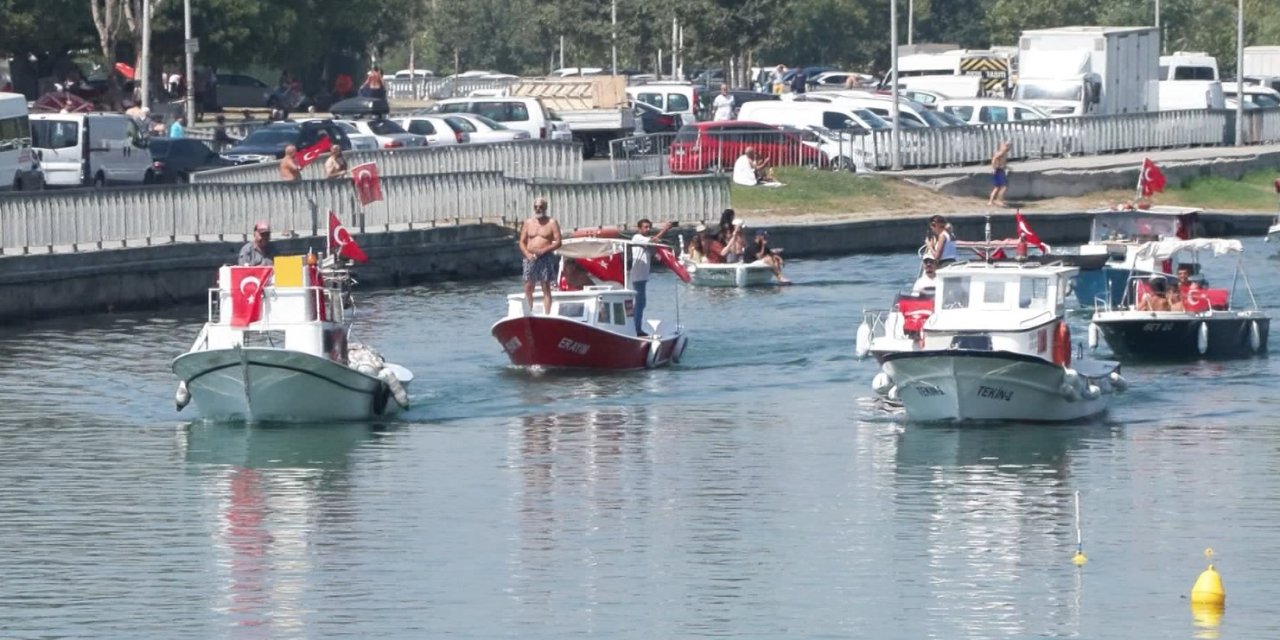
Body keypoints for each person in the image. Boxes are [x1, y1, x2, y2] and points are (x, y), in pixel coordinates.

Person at [630, 218, 674, 335]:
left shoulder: (645, 241)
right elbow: (654, 240)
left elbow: (652, 249)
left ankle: (636, 327)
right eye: (645, 227)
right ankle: (636, 329)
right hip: (638, 276)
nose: (648, 229)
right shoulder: (637, 238)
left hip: (643, 276)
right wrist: (665, 229)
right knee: (639, 304)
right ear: (639, 228)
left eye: (649, 227)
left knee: (641, 303)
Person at [519, 197, 562, 314]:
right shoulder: (528, 223)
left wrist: (545, 250)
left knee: (546, 286)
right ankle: (529, 311)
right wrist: (527, 254)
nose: (538, 209)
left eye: (541, 207)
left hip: (545, 257)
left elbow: (558, 242)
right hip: (530, 258)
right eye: (536, 207)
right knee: (528, 285)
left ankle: (547, 314)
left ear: (546, 208)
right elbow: (522, 242)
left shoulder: (552, 222)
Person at [988, 140, 1010, 206]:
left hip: (1000, 170)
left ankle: (991, 201)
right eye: (1007, 145)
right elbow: (994, 158)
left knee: (998, 187)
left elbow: (1001, 162)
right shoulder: (1001, 152)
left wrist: (1006, 167)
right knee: (1003, 187)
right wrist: (994, 167)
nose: (1008, 147)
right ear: (1003, 146)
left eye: (1009, 146)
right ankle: (998, 200)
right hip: (999, 171)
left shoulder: (1004, 153)